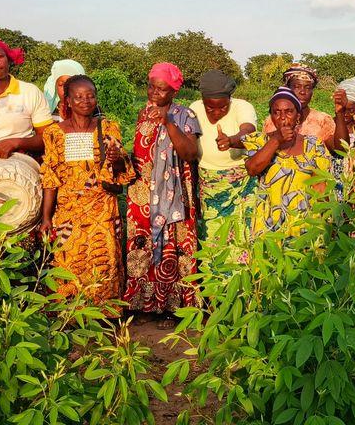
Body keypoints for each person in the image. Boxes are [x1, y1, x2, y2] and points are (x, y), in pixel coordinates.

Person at [39, 75, 135, 308]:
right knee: (69, 261)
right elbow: (50, 178)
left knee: (104, 261)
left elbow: (122, 170)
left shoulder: (108, 127)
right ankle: (71, 315)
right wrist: (46, 218)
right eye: (79, 97)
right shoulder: (54, 133)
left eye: (90, 96)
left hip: (103, 210)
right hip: (68, 211)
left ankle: (105, 314)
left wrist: (117, 158)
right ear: (68, 101)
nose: (85, 101)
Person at [124, 62, 202, 325]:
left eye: (161, 89)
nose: (154, 93)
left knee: (174, 248)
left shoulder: (185, 115)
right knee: (142, 246)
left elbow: (190, 153)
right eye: (151, 87)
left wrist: (168, 122)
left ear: (174, 91)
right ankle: (142, 304)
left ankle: (174, 307)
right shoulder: (143, 113)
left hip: (174, 195)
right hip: (143, 193)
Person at [243, 87, 333, 237]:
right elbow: (252, 169)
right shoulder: (259, 141)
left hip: (304, 226)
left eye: (289, 112)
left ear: (298, 116)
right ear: (271, 116)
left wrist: (326, 224)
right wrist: (276, 140)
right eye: (276, 112)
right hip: (268, 226)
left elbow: (321, 188)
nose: (282, 117)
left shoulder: (313, 145)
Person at [190, 70, 258, 255]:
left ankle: (240, 273)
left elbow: (249, 131)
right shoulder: (194, 108)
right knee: (213, 236)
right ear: (202, 100)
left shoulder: (242, 107)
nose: (217, 112)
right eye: (210, 108)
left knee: (242, 234)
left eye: (223, 107)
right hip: (208, 183)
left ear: (230, 99)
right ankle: (216, 273)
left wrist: (232, 140)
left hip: (241, 184)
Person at [261, 64, 336, 146]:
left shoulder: (323, 121)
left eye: (307, 88)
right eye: (297, 87)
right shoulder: (271, 122)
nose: (302, 92)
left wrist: (340, 113)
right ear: (288, 89)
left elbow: (336, 148)